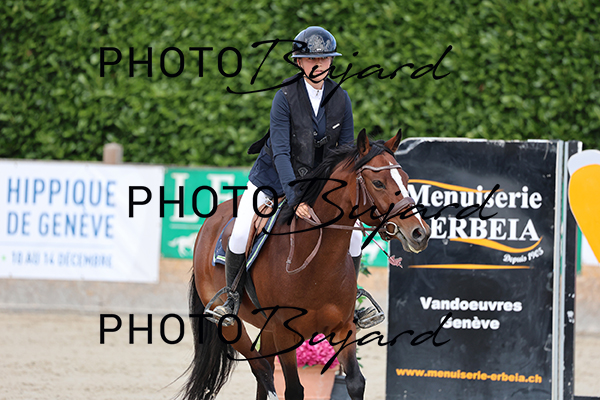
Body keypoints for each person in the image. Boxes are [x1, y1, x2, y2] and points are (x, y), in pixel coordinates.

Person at [212, 26, 381, 329]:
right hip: (273, 178)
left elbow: (345, 154)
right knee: (240, 231)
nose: (319, 65)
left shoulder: (341, 99)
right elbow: (280, 152)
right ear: (299, 62)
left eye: (325, 59)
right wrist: (294, 198)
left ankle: (351, 301)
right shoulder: (285, 97)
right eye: (312, 59)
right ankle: (232, 298)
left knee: (355, 234)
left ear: (331, 61)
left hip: (318, 184)